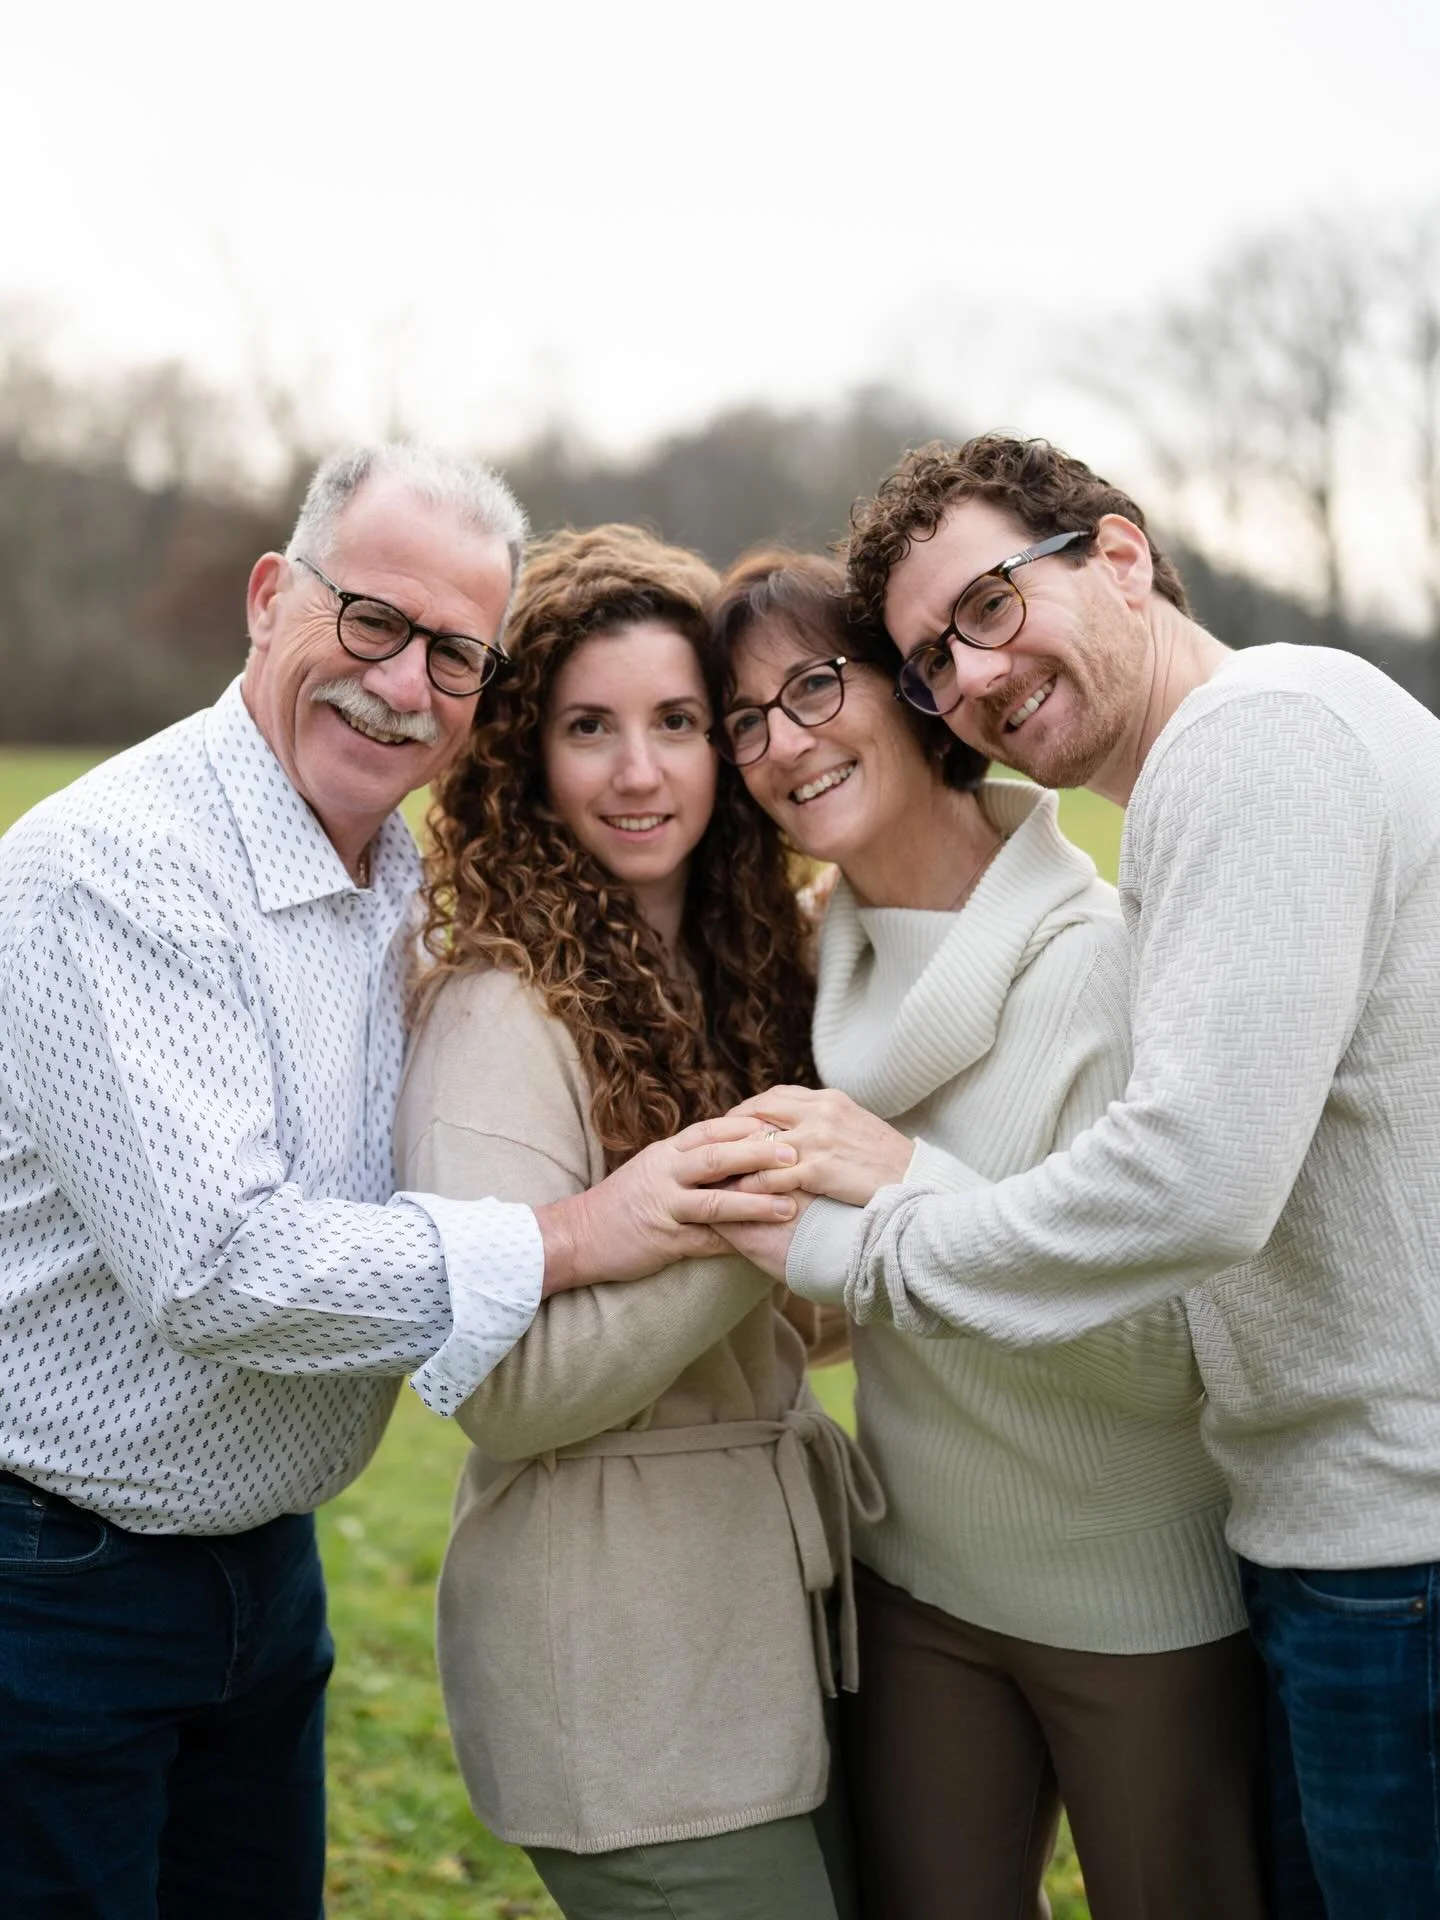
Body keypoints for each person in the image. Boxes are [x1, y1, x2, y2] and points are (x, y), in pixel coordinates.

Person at [0, 449, 798, 1920]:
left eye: (454, 655)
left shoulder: (400, 883)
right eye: (369, 620)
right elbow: (216, 1269)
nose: (400, 682)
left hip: (263, 1569)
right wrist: (569, 1235)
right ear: (267, 599)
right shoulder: (119, 867)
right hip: (56, 1581)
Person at [723, 434, 1440, 1920]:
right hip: (1339, 1537)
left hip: (1400, 1551)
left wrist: (876, 1235)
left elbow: (1190, 1188)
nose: (972, 676)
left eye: (988, 607)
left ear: (1120, 555)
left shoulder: (1256, 740)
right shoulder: (1249, 754)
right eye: (931, 657)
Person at [706, 549, 1267, 1920]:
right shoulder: (817, 969)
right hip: (919, 1592)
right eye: (744, 720)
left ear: (917, 694)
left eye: (816, 687)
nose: (784, 743)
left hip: (1138, 1597)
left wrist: (903, 1189)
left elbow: (1159, 1352)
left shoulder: (1096, 963)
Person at [394, 524, 881, 1920]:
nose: (639, 772)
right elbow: (505, 1389)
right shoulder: (502, 1006)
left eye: (678, 722)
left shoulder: (741, 966)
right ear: (523, 755)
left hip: (786, 1615)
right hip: (621, 1661)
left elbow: (817, 1317)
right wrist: (752, 1209)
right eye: (586, 726)